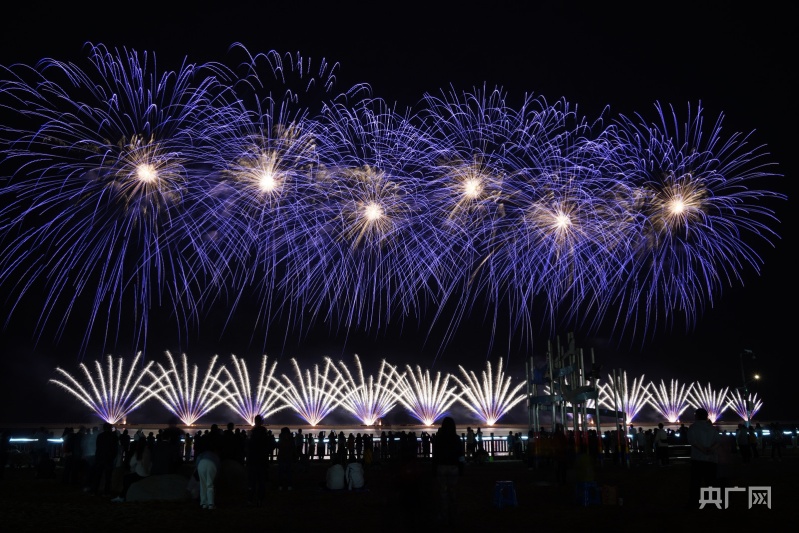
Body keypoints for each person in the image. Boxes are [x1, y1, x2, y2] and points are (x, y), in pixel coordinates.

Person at [432, 416, 465, 524]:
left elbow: (435, 455)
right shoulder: (456, 439)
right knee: (453, 492)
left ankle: (444, 515)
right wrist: (461, 468)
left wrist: (434, 468)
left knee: (443, 493)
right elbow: (461, 455)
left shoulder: (439, 439)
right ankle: (454, 515)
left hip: (441, 467)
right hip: (453, 467)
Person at [687, 408, 721, 509]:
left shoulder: (692, 428)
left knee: (696, 482)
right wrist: (710, 450)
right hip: (711, 459)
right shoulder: (712, 428)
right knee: (711, 481)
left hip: (697, 458)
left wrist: (703, 450)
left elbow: (693, 442)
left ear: (696, 416)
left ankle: (694, 503)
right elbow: (718, 442)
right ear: (706, 416)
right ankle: (712, 502)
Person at [112, 437, 152, 502]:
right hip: (147, 472)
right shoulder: (148, 450)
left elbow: (131, 463)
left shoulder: (138, 452)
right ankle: (123, 495)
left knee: (126, 479)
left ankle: (122, 496)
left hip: (140, 473)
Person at [195, 424, 221, 510]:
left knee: (203, 485)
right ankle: (211, 504)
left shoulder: (203, 453)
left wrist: (196, 469)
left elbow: (198, 460)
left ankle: (203, 503)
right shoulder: (215, 454)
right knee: (210, 484)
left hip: (201, 464)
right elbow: (218, 465)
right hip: (212, 464)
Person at [246, 415, 270, 506]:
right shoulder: (264, 433)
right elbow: (268, 447)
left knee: (251, 482)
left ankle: (250, 499)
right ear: (262, 422)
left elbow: (247, 447)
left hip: (252, 461)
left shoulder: (251, 434)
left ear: (255, 422)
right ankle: (260, 499)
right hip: (262, 462)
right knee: (261, 482)